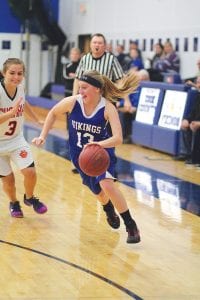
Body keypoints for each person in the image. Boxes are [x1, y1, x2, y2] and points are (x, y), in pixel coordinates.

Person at [32, 70, 141, 244]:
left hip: (102, 153)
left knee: (107, 185)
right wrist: (43, 136)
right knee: (98, 192)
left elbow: (118, 138)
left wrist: (99, 145)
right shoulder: (73, 102)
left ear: (97, 89)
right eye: (80, 87)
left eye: (84, 87)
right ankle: (108, 209)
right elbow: (52, 113)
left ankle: (131, 225)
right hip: (80, 156)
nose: (80, 91)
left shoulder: (107, 108)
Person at [0, 58, 48, 218]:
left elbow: (23, 103)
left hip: (16, 139)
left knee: (30, 172)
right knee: (8, 180)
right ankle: (14, 202)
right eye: (12, 73)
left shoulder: (20, 87)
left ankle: (29, 197)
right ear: (3, 73)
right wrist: (10, 114)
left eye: (20, 73)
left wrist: (36, 119)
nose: (16, 76)